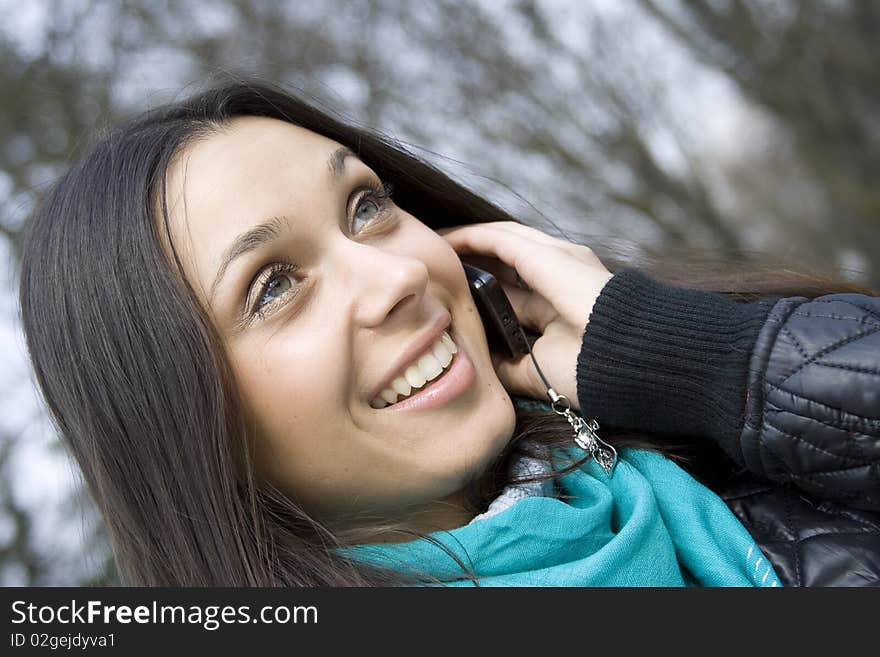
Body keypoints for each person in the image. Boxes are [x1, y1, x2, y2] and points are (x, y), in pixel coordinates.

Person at [18, 77, 880, 587]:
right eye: (273, 284)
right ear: (181, 431)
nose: (396, 275)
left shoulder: (716, 455)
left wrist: (705, 363)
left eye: (365, 206)